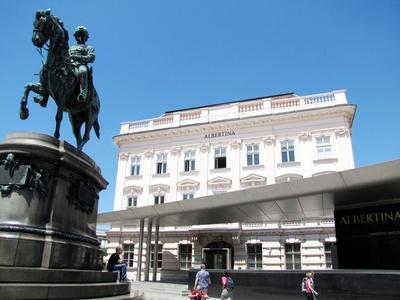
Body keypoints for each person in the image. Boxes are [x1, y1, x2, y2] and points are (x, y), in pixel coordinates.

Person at [69, 25, 95, 102]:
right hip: (69, 65)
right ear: (76, 36)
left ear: (85, 37)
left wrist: (78, 57)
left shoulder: (89, 48)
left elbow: (91, 57)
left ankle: (83, 93)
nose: (80, 36)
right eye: (79, 35)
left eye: (82, 35)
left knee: (83, 71)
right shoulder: (71, 47)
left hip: (80, 65)